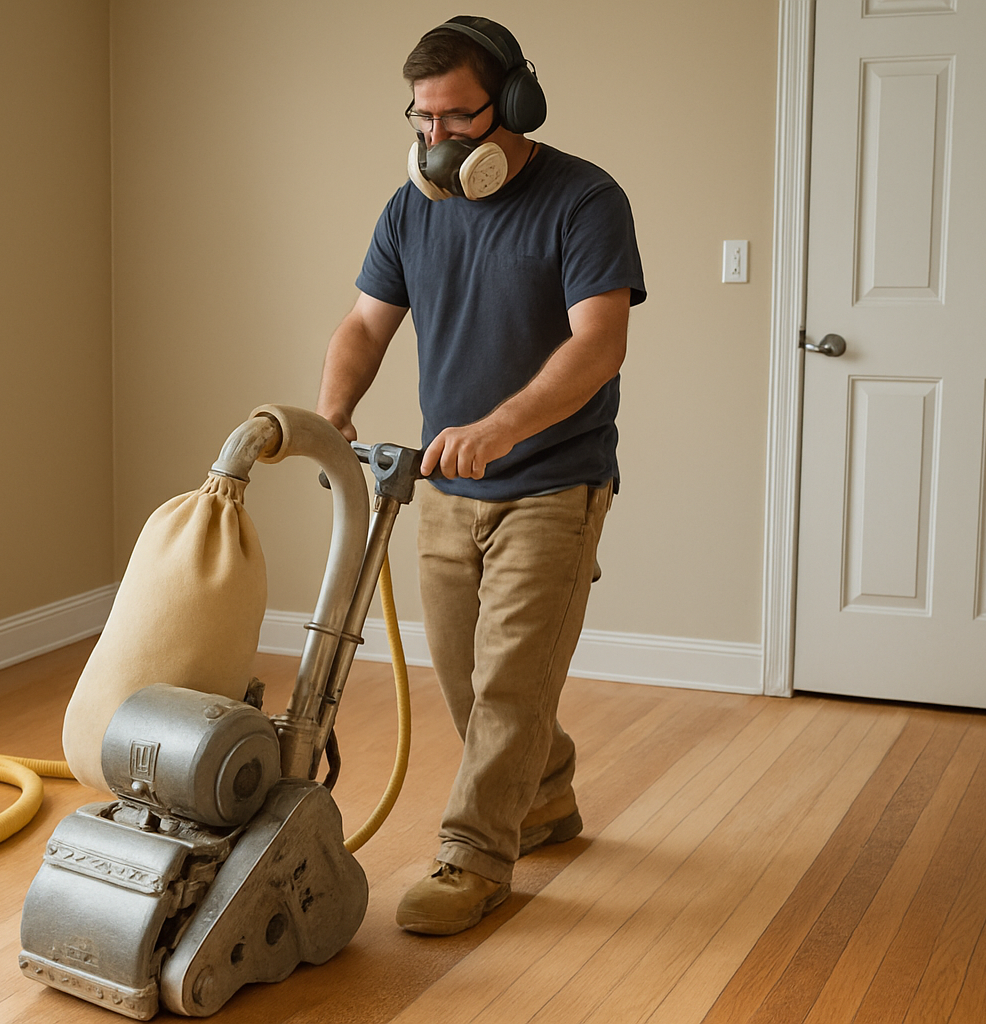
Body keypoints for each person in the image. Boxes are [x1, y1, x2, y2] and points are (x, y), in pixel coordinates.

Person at [315, 15, 646, 936]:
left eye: (458, 119)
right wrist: (333, 410)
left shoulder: (585, 200)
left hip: (555, 480)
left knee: (508, 685)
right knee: (465, 679)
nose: (438, 140)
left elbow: (601, 344)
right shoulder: (411, 207)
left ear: (515, 102)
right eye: (424, 120)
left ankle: (473, 859)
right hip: (446, 487)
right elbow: (364, 325)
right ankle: (541, 793)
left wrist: (501, 427)